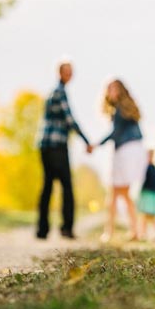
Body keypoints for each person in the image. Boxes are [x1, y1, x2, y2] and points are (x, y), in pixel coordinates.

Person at [36, 61, 93, 240]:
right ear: (59, 73)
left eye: (71, 72)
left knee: (48, 185)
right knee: (66, 186)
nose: (69, 75)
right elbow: (70, 120)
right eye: (66, 72)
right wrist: (86, 140)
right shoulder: (60, 92)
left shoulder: (51, 92)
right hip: (56, 145)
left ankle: (42, 230)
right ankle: (66, 228)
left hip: (44, 144)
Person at [97, 79, 147, 242]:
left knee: (115, 192)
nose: (110, 92)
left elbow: (115, 133)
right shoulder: (128, 108)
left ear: (119, 90)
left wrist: (96, 144)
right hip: (136, 150)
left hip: (125, 151)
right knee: (123, 193)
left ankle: (109, 232)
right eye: (109, 88)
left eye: (113, 88)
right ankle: (135, 231)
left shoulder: (119, 110)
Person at [137, 150, 155, 241]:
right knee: (148, 216)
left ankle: (144, 234)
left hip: (147, 194)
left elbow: (142, 181)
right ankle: (146, 234)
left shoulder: (147, 169)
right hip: (154, 196)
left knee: (146, 215)